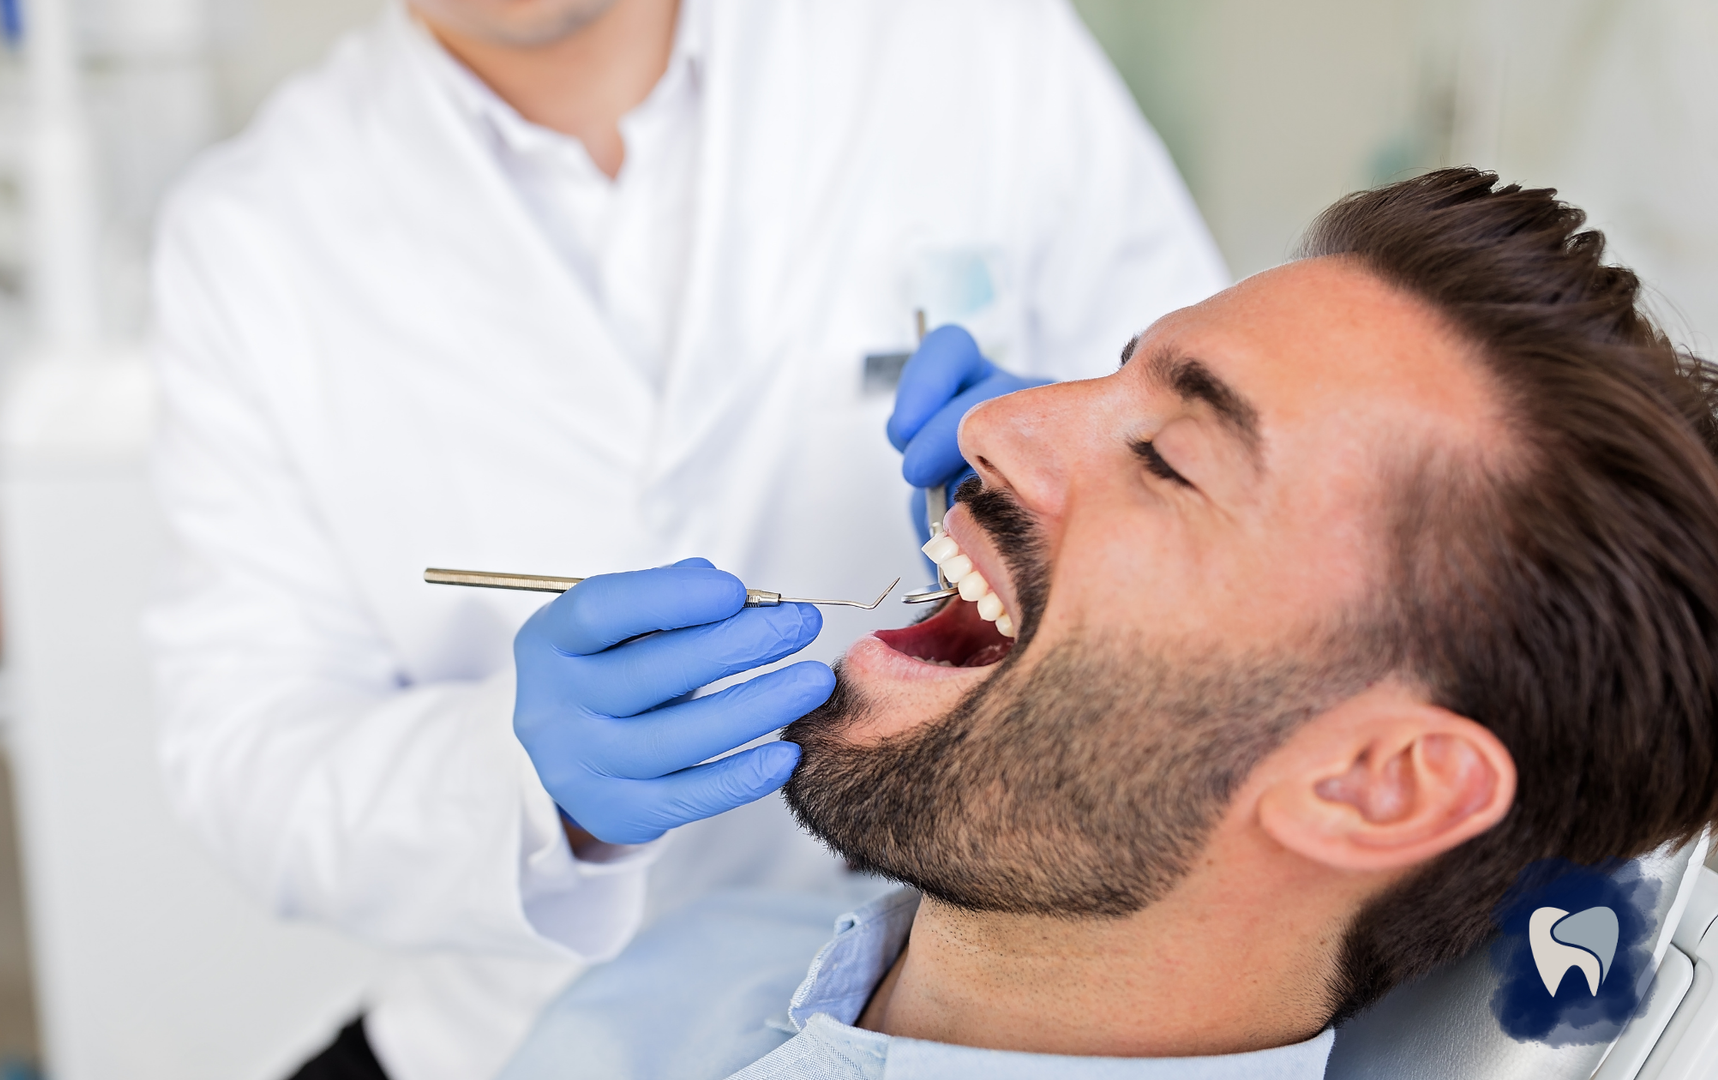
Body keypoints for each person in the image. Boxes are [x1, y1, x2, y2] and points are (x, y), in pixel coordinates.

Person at [145, 0, 1225, 1076]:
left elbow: (1242, 509)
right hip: (510, 1034)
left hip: (945, 1003)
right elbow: (249, 751)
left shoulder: (971, 45)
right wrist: (526, 788)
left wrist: (1082, 461)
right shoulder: (252, 235)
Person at [493, 169, 1718, 1079]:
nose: (992, 426)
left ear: (1375, 784)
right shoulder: (693, 971)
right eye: (1109, 370)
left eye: (1172, 457)